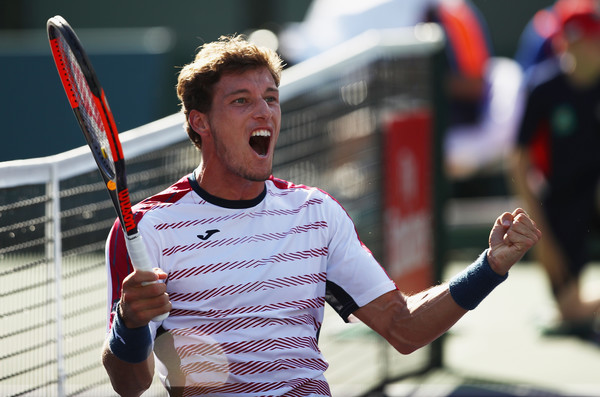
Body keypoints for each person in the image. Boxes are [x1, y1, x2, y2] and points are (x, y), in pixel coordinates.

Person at [101, 35, 541, 396]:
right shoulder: (146, 229)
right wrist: (130, 321)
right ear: (200, 122)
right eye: (240, 101)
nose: (264, 112)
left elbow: (403, 328)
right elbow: (130, 383)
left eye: (270, 98)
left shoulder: (316, 213)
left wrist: (490, 267)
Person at [511, 0, 600, 340]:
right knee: (571, 311)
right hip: (560, 203)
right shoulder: (544, 89)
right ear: (573, 42)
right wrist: (541, 237)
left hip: (594, 193)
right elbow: (518, 162)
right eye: (593, 39)